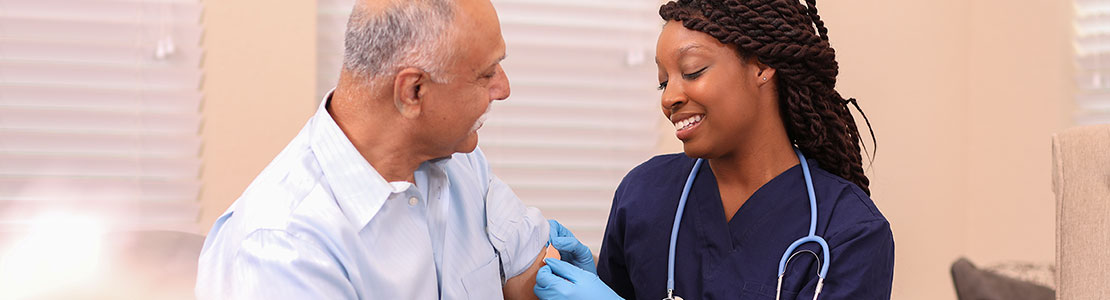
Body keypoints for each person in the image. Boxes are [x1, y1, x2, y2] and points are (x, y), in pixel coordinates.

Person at [533, 0, 895, 299]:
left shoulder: (849, 232)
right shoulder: (644, 195)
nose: (670, 98)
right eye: (663, 81)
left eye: (692, 71)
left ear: (762, 65)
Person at [195, 0, 553, 298]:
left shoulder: (458, 160)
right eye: (487, 74)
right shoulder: (284, 250)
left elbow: (530, 273)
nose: (503, 89)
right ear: (413, 91)